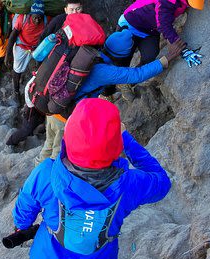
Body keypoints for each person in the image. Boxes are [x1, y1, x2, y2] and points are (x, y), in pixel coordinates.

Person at [13, 99, 171, 259]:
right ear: (115, 145)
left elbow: (25, 210)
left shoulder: (46, 174)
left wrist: (21, 227)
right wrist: (126, 139)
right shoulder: (130, 184)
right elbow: (162, 182)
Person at [33, 31, 184, 163]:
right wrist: (167, 59)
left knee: (47, 147)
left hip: (52, 106)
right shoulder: (105, 71)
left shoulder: (88, 55)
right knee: (56, 157)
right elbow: (137, 75)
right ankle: (46, 189)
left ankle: (35, 178)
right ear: (122, 55)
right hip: (64, 118)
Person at [5, 0, 46, 101]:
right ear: (31, 15)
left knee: (37, 69)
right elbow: (12, 37)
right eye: (35, 18)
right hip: (21, 46)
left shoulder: (46, 20)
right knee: (17, 69)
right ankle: (16, 91)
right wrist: (8, 54)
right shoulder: (22, 19)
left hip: (35, 48)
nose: (37, 20)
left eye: (39, 18)